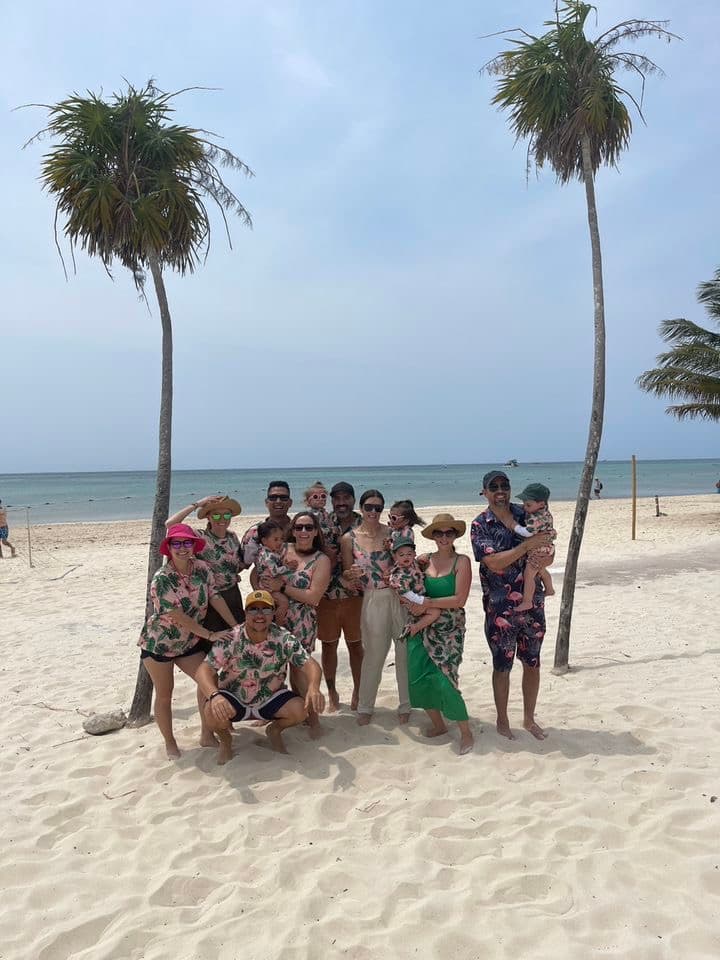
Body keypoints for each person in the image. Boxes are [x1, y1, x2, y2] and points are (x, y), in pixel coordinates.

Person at [137, 523, 240, 758]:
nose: (182, 548)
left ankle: (206, 734)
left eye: (187, 542)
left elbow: (214, 596)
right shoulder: (162, 578)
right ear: (169, 547)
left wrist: (234, 625)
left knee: (208, 681)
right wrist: (210, 635)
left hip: (188, 643)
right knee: (165, 694)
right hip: (159, 644)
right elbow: (177, 616)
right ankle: (170, 742)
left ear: (194, 545)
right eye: (177, 543)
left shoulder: (202, 567)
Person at [470, 470, 553, 742]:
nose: (500, 490)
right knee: (502, 665)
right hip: (499, 607)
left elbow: (547, 549)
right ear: (484, 491)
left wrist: (541, 556)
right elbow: (492, 562)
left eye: (504, 485)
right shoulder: (480, 524)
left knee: (532, 662)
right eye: (493, 487)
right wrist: (526, 546)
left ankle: (529, 718)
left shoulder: (526, 512)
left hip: (532, 605)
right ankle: (502, 719)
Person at [195, 590, 325, 762]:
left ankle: (275, 730)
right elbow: (203, 670)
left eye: (266, 609)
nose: (260, 615)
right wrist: (215, 695)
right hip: (235, 698)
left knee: (301, 710)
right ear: (245, 613)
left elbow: (310, 664)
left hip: (270, 698)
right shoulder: (231, 637)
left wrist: (314, 686)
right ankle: (226, 741)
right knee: (211, 710)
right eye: (253, 609)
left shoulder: (283, 637)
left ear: (273, 613)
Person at [400, 514, 474, 755]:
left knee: (446, 680)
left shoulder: (461, 561)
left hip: (449, 628)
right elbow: (402, 577)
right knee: (420, 677)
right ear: (432, 536)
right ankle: (439, 725)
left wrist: (427, 603)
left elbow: (459, 599)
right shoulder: (422, 561)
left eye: (449, 533)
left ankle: (466, 732)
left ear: (454, 535)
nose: (444, 537)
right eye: (439, 533)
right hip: (421, 626)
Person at [342, 489, 409, 726]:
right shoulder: (349, 538)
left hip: (398, 596)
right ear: (361, 508)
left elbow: (408, 561)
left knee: (403, 653)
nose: (373, 512)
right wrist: (351, 575)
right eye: (369, 507)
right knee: (373, 655)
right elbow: (346, 576)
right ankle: (365, 706)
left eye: (378, 508)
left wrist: (399, 569)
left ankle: (406, 705)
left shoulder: (393, 534)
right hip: (371, 598)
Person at [267, 511, 331, 736]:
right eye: (299, 527)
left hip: (303, 620)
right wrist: (266, 587)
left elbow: (313, 597)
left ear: (315, 531)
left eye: (308, 527)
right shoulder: (282, 549)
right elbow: (259, 573)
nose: (303, 532)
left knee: (300, 670)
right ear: (292, 530)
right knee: (273, 668)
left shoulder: (321, 560)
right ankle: (272, 712)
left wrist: (282, 588)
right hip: (273, 617)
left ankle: (313, 719)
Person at [317, 482, 364, 712]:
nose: (342, 502)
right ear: (331, 501)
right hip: (326, 596)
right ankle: (332, 691)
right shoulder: (321, 522)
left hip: (356, 596)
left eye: (346, 498)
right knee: (328, 647)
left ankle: (357, 690)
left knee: (356, 646)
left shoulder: (364, 523)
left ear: (353, 500)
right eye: (337, 498)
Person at [166, 494, 245, 629]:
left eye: (226, 515)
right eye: (215, 515)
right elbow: (170, 524)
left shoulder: (232, 536)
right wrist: (197, 504)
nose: (222, 519)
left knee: (237, 634)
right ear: (208, 517)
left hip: (233, 593)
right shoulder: (199, 537)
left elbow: (236, 564)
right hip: (210, 597)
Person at [511, 483, 556, 611]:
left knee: (529, 575)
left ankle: (527, 601)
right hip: (547, 547)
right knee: (541, 570)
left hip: (538, 549)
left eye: (528, 505)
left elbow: (527, 532)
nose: (524, 507)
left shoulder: (536, 518)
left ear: (541, 504)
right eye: (524, 504)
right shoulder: (546, 513)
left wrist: (513, 526)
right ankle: (550, 589)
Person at [387, 537, 440, 633]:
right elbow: (404, 592)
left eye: (409, 554)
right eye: (401, 555)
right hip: (412, 601)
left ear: (414, 554)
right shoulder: (398, 573)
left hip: (420, 596)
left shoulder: (413, 563)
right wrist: (420, 600)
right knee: (435, 612)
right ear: (395, 557)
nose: (406, 557)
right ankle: (415, 627)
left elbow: (423, 561)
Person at [241, 481, 293, 572]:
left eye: (283, 498)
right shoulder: (254, 532)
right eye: (273, 497)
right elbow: (243, 564)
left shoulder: (301, 529)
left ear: (290, 502)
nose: (278, 501)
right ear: (266, 502)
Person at [254, 519, 297, 625]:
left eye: (281, 539)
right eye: (276, 539)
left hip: (266, 583)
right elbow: (274, 571)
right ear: (264, 541)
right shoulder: (268, 555)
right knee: (284, 602)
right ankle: (278, 624)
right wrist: (288, 567)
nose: (280, 542)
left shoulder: (263, 552)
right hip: (268, 586)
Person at [304, 481, 341, 563]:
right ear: (308, 501)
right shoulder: (312, 515)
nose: (320, 499)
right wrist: (332, 530)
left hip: (330, 544)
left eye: (323, 496)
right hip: (319, 547)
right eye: (316, 497)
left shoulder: (325, 513)